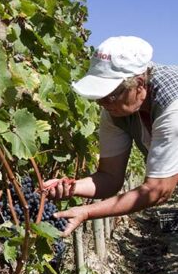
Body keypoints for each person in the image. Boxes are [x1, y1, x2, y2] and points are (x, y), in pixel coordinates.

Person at [44, 36, 178, 236]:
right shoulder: (115, 110)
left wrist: (87, 212)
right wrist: (70, 187)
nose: (103, 103)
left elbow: (158, 191)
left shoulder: (172, 104)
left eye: (110, 95)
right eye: (99, 97)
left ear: (139, 84)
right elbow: (110, 177)